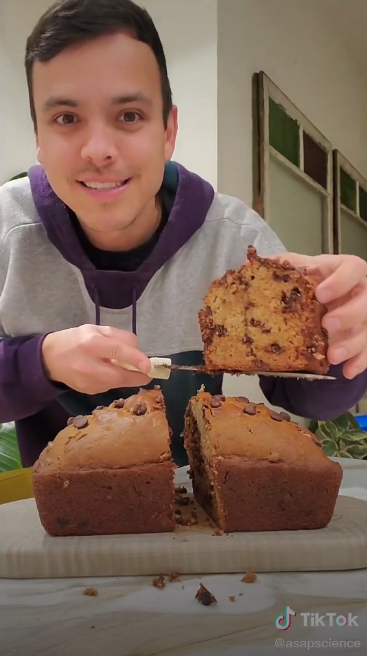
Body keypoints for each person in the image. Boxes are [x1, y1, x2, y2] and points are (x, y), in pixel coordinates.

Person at [1, 0, 367, 468]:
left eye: (129, 115)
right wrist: (42, 362)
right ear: (39, 138)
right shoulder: (8, 230)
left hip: (192, 511)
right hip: (58, 512)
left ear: (169, 130)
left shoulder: (233, 243)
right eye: (66, 119)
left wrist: (338, 339)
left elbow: (309, 397)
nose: (98, 151)